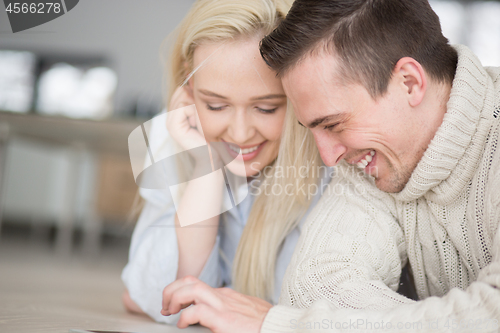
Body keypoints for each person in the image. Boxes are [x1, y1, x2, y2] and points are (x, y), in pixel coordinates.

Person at [160, 0, 500, 332]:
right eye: (313, 129)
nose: (328, 157)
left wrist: (278, 325)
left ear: (409, 82)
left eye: (334, 125)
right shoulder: (373, 161)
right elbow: (312, 289)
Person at [121, 0, 331, 324]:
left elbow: (312, 308)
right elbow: (163, 298)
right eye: (216, 106)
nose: (240, 133)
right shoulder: (175, 133)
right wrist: (206, 168)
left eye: (266, 108)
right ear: (189, 92)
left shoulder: (330, 156)